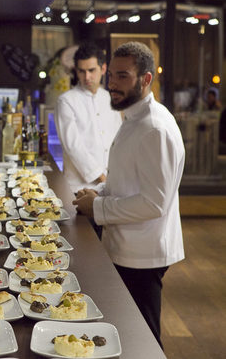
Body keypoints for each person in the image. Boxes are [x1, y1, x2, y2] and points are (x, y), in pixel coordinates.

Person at [73, 42, 185, 348]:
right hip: (129, 242)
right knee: (126, 330)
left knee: (144, 339)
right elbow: (127, 181)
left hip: (144, 249)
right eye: (112, 76)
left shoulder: (155, 127)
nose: (112, 84)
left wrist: (97, 206)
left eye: (123, 76)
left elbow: (154, 202)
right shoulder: (134, 116)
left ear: (146, 80)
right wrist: (96, 194)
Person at [54, 42, 122, 193]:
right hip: (80, 187)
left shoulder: (111, 98)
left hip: (111, 184)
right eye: (81, 71)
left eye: (91, 70)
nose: (87, 77)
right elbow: (73, 146)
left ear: (103, 69)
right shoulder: (66, 101)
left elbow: (118, 139)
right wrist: (102, 179)